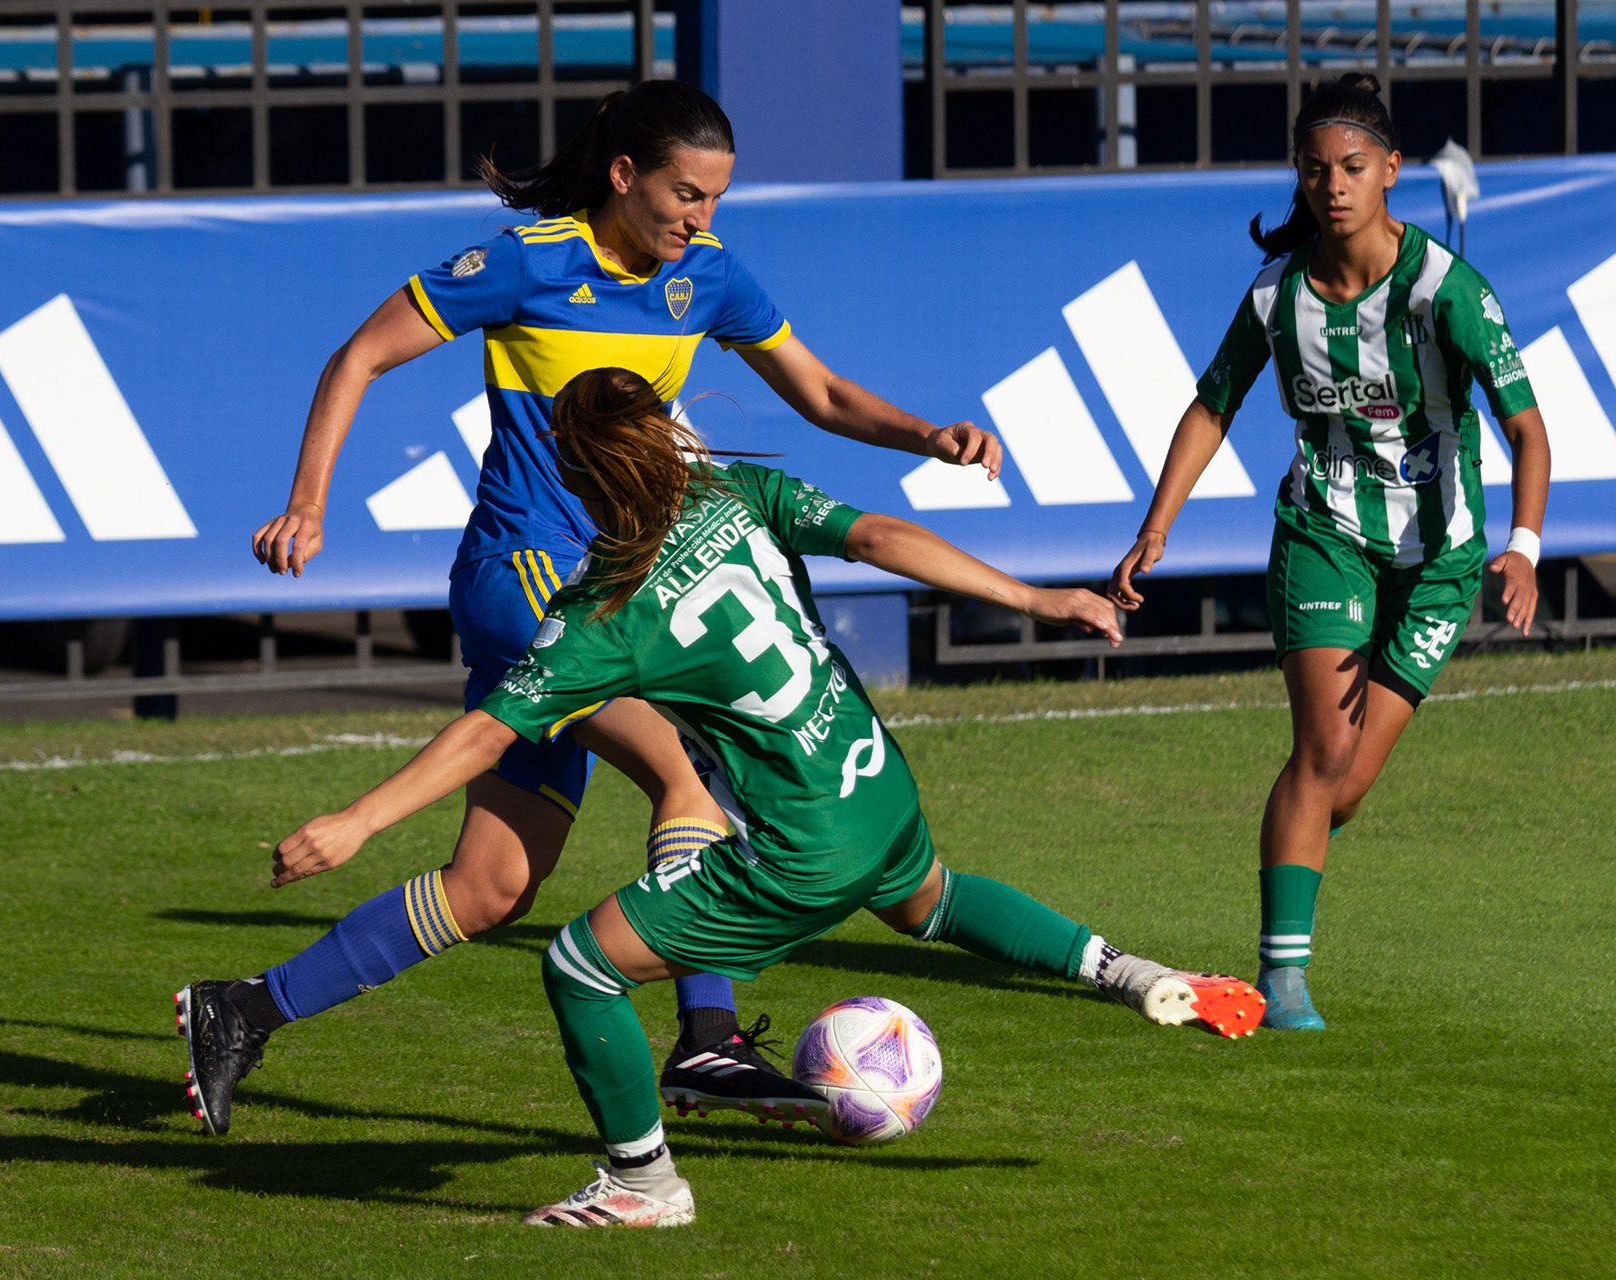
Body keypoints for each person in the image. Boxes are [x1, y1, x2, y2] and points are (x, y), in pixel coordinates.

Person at [248, 367, 1264, 1227]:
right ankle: (1128, 970)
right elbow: (876, 536)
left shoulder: (603, 608)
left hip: (797, 848)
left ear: (574, 475)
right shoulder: (734, 495)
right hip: (874, 784)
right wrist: (1039, 596)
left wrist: (360, 818)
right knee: (932, 899)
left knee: (579, 964)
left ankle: (642, 1181)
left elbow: (487, 730)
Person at [190, 80, 1005, 1133]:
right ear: (624, 175)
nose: (700, 217)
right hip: (527, 576)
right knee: (691, 769)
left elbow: (825, 394)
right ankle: (704, 1037)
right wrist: (308, 501)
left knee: (490, 888)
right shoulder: (527, 261)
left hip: (613, 585)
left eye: (715, 198)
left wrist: (927, 435)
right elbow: (359, 355)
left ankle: (244, 1007)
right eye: (683, 193)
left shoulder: (704, 277)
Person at [1108, 74, 1550, 1032]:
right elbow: (1211, 404)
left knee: (1342, 793)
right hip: (1326, 537)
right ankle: (1285, 983)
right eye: (1317, 171)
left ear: (1391, 170)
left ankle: (1291, 908)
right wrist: (1156, 525)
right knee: (1321, 751)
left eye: (1353, 168)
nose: (1334, 186)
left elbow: (1528, 431)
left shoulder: (1448, 292)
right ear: (1301, 180)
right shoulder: (1276, 295)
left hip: (1440, 564)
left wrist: (1523, 547)